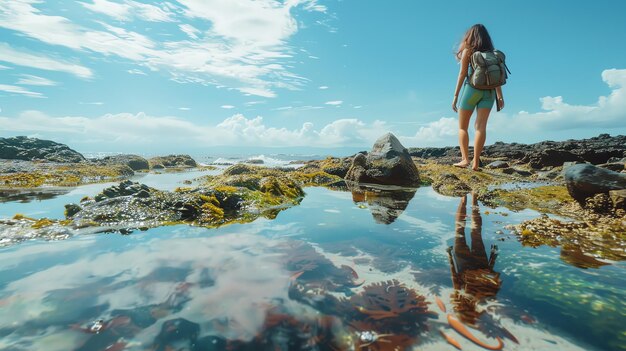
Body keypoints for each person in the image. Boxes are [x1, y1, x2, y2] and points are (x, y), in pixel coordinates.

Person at [451, 24, 504, 171]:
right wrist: (500, 96)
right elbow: (496, 78)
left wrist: (455, 96)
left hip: (471, 90)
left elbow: (462, 74)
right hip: (490, 92)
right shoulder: (493, 54)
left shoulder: (468, 51)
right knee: (481, 127)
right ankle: (475, 164)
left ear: (470, 36)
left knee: (463, 127)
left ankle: (465, 160)